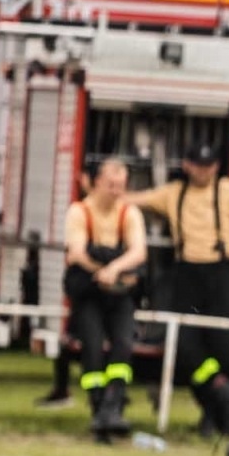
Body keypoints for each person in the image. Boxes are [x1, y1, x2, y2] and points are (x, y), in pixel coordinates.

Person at [128, 141, 229, 435]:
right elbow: (136, 200)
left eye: (209, 166)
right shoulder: (173, 193)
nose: (203, 171)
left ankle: (216, 416)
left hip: (223, 273)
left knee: (222, 347)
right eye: (198, 165)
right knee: (185, 347)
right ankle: (227, 399)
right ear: (187, 165)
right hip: (187, 272)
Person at [63, 158, 147, 439]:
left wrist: (113, 270)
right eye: (111, 185)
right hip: (88, 292)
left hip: (119, 292)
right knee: (93, 347)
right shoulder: (79, 212)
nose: (116, 191)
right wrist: (103, 271)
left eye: (121, 186)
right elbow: (77, 253)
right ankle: (98, 406)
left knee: (123, 345)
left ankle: (114, 405)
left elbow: (139, 252)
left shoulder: (129, 213)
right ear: (97, 182)